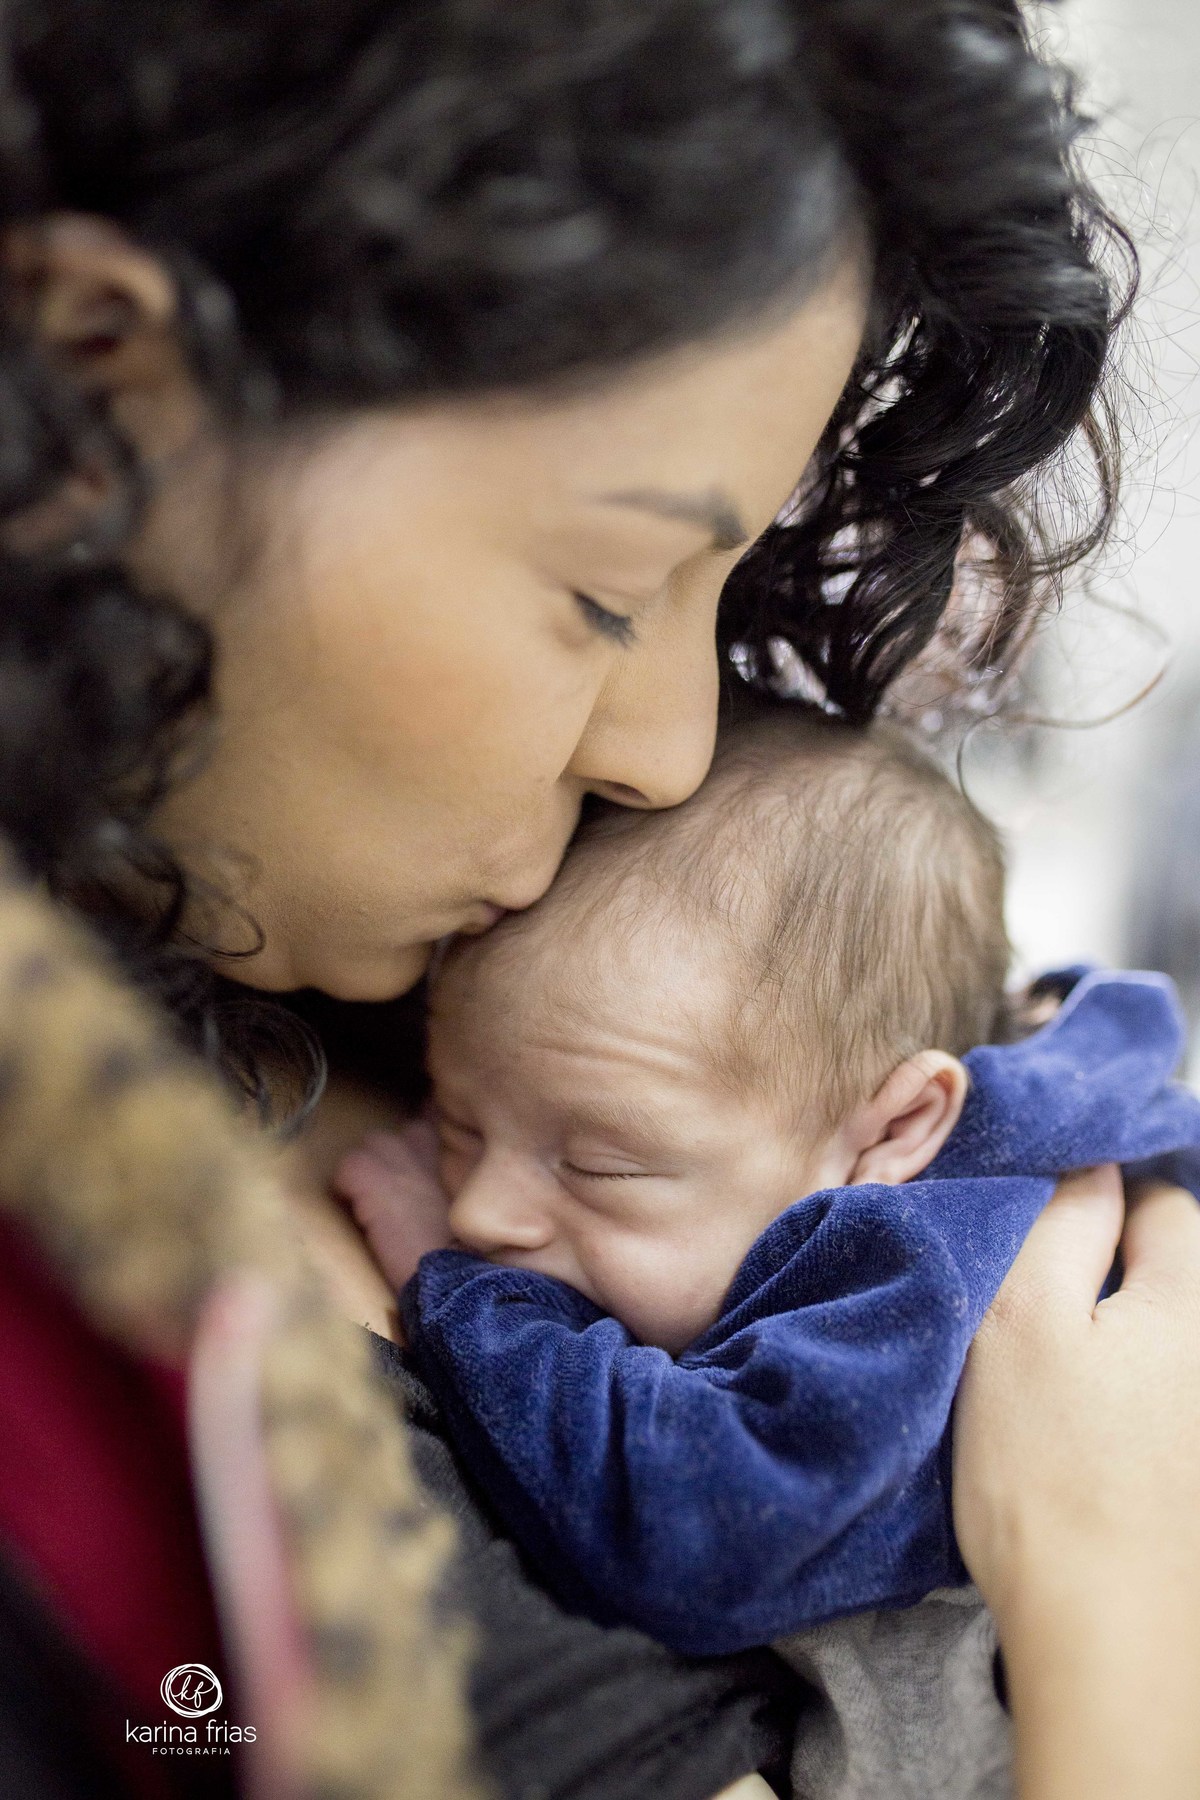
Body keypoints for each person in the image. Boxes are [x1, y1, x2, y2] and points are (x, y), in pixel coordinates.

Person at [0, 1, 1197, 1797]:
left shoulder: (459, 964)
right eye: (613, 588)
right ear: (102, 393)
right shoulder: (118, 1349)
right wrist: (1118, 1607)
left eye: (724, 597)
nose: (668, 748)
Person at [342, 702, 1200, 1800]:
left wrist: (461, 1290)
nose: (482, 1209)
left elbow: (697, 1525)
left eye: (601, 1166)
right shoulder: (826, 1147)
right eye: (459, 1121)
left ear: (892, 1131)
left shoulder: (931, 1261)